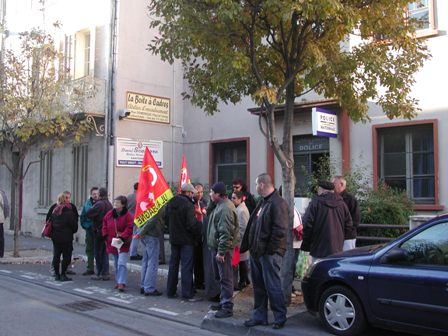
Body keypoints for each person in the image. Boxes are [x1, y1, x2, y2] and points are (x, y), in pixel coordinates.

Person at [241, 173, 288, 330]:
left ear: (261, 184)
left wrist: (269, 251)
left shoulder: (277, 203)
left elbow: (280, 231)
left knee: (272, 286)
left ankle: (280, 317)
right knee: (259, 287)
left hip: (268, 254)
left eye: (256, 184)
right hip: (257, 253)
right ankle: (259, 316)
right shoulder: (263, 203)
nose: (255, 187)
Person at [165, 183, 202, 301]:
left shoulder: (171, 202)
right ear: (188, 193)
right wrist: (200, 228)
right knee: (186, 267)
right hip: (186, 240)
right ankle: (187, 293)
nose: (193, 195)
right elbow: (191, 224)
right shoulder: (188, 205)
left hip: (174, 238)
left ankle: (170, 291)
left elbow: (166, 219)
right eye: (192, 193)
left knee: (173, 265)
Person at [207, 182, 239, 319]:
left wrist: (221, 252)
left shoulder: (225, 208)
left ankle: (227, 307)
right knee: (221, 277)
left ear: (219, 195)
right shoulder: (219, 205)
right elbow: (209, 214)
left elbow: (225, 233)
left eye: (212, 193)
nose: (209, 194)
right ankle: (223, 302)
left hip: (223, 250)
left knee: (225, 278)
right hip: (218, 248)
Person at [301, 180, 353, 263]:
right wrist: (341, 239)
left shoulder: (315, 203)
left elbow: (307, 224)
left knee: (318, 272)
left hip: (318, 247)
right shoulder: (342, 204)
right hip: (337, 248)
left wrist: (307, 242)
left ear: (321, 190)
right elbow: (349, 225)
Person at [102, 195, 133, 292]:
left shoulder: (128, 216)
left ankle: (121, 282)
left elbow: (129, 228)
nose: (115, 204)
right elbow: (104, 224)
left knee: (121, 263)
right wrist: (105, 235)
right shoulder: (109, 214)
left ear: (123, 205)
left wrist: (122, 237)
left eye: (117, 203)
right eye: (114, 202)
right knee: (116, 262)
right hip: (113, 242)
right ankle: (119, 280)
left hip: (123, 243)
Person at [46, 191, 78, 276]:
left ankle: (57, 274)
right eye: (66, 198)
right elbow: (75, 226)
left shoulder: (55, 211)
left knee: (57, 255)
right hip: (66, 237)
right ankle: (63, 274)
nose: (68, 199)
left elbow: (49, 221)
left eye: (69, 197)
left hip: (56, 237)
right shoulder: (69, 212)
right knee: (66, 256)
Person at [137, 205, 165, 296]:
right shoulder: (157, 202)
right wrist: (142, 232)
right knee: (152, 263)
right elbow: (153, 220)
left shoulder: (146, 199)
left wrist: (140, 231)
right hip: (151, 234)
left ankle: (143, 285)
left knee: (146, 261)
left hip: (145, 234)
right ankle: (149, 288)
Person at [87, 187, 113, 280]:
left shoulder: (99, 204)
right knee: (105, 252)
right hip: (107, 231)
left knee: (98, 252)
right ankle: (105, 272)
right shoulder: (109, 204)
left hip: (99, 230)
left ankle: (99, 272)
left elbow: (89, 213)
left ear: (100, 194)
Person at [332, 176, 361, 251]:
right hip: (335, 237)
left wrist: (345, 232)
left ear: (341, 184)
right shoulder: (332, 198)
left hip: (347, 237)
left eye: (334, 183)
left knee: (347, 259)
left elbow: (356, 220)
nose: (332, 185)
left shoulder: (350, 199)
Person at [230, 190, 251, 290]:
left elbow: (243, 228)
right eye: (232, 197)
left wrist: (238, 242)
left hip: (239, 241)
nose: (232, 199)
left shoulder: (241, 210)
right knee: (241, 261)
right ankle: (244, 280)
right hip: (240, 241)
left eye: (234, 198)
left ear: (240, 199)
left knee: (239, 262)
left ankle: (242, 281)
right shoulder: (240, 208)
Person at [79, 187, 99, 275]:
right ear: (91, 194)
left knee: (98, 250)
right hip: (90, 229)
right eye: (94, 194)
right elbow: (82, 216)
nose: (95, 195)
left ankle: (99, 269)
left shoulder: (101, 203)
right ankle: (90, 268)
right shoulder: (87, 204)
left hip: (98, 230)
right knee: (89, 249)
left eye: (97, 193)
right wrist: (86, 226)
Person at [193, 183, 206, 290]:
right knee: (196, 261)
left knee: (202, 260)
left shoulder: (204, 203)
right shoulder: (192, 203)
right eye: (198, 192)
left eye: (201, 192)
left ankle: (201, 280)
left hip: (203, 234)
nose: (200, 194)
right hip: (195, 236)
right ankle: (197, 282)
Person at [127, 182, 142, 260]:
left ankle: (131, 252)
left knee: (131, 236)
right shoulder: (140, 197)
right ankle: (133, 254)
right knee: (135, 236)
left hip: (129, 218)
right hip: (137, 219)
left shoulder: (129, 197)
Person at [0, 188, 10, 258]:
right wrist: (4, 216)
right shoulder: (2, 193)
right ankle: (1, 253)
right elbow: (6, 206)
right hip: (1, 218)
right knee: (1, 236)